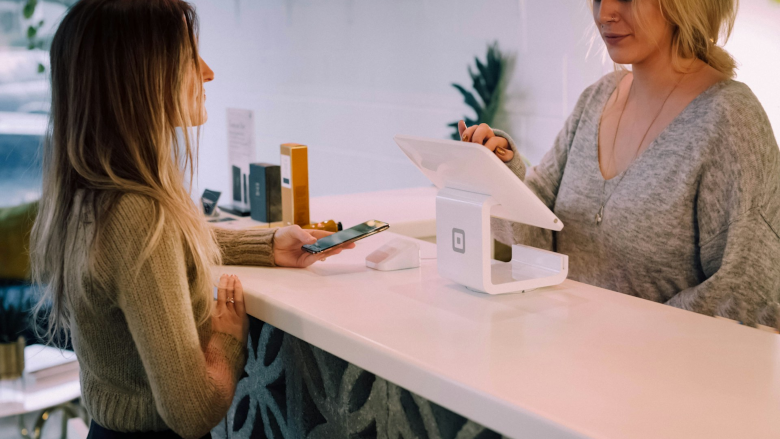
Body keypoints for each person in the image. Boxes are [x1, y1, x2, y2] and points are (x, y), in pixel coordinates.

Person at [28, 1, 353, 438]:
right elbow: (192, 409)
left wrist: (266, 245)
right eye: (188, 58)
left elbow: (161, 251)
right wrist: (228, 339)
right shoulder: (139, 215)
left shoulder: (93, 195)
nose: (208, 72)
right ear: (140, 76)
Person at [459, 0, 780, 329]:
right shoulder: (597, 98)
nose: (604, 14)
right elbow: (537, 237)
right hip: (562, 358)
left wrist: (624, 341)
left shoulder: (729, 119)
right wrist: (497, 172)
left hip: (655, 374)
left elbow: (744, 293)